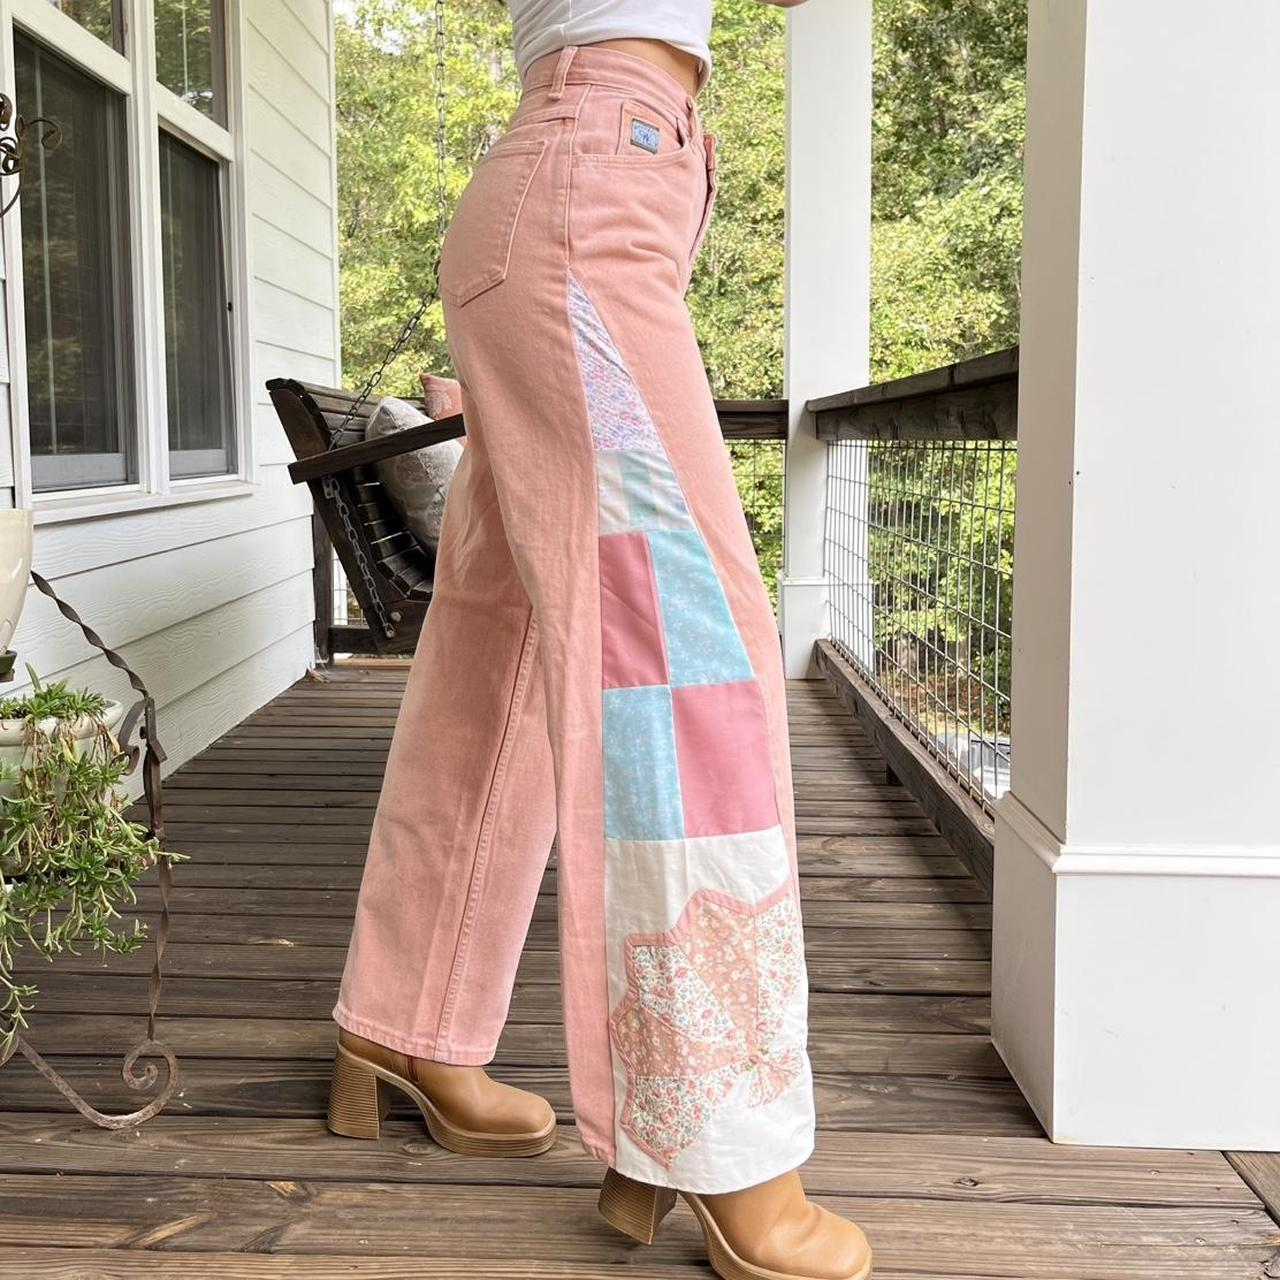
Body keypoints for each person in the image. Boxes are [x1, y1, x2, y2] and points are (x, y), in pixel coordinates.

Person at [325, 3, 872, 1278]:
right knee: (686, 646)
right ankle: (719, 1135)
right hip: (590, 184)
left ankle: (405, 1020)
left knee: (496, 654)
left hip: (576, 180)